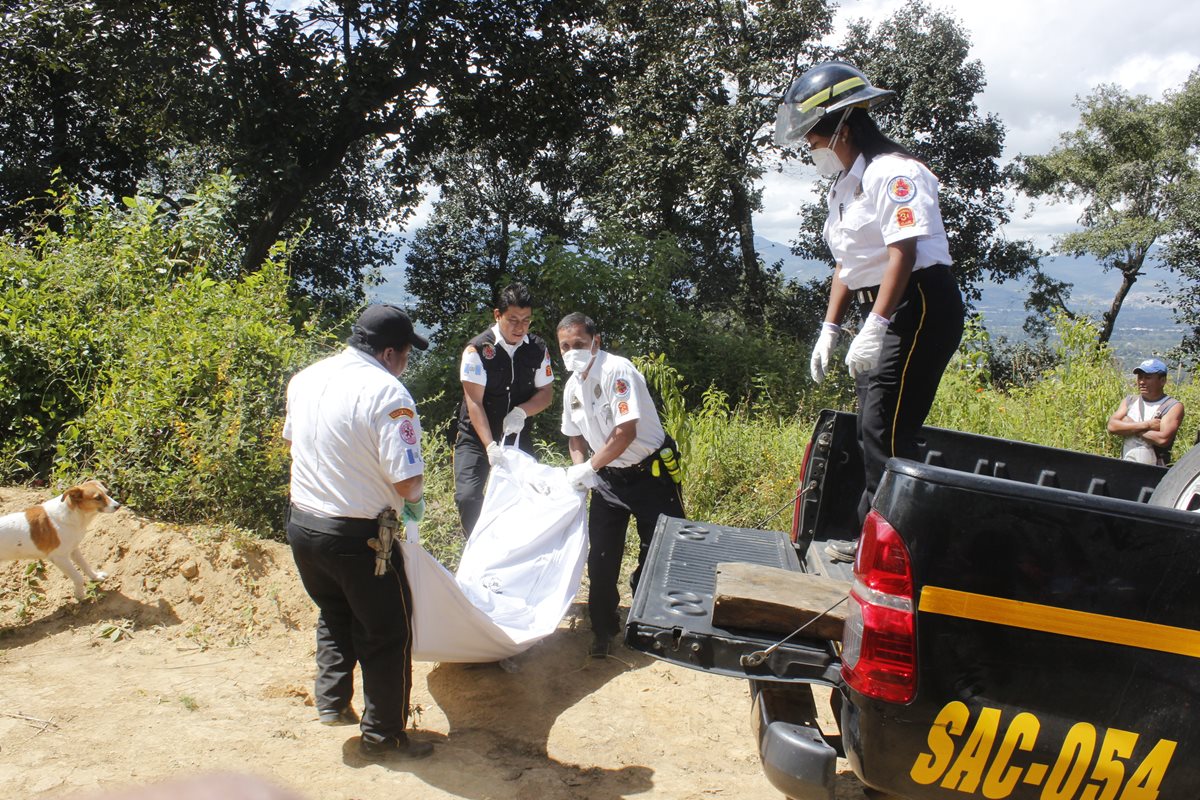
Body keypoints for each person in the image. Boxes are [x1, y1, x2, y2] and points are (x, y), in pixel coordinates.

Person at [775, 61, 965, 563]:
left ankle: (892, 550)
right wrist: (831, 328)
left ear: (840, 124)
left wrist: (878, 324)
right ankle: (871, 537)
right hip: (882, 304)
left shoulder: (894, 173)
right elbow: (848, 263)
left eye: (813, 135)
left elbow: (903, 251)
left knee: (885, 428)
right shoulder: (844, 186)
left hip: (918, 302)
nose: (810, 146)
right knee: (871, 428)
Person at [283, 304, 434, 761]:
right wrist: (414, 502)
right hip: (360, 536)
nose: (407, 361)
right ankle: (383, 735)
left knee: (334, 611)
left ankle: (331, 704)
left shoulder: (306, 377)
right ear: (390, 352)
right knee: (387, 631)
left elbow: (292, 440)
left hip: (303, 523)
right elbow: (407, 481)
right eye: (407, 352)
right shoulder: (389, 394)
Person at [557, 312, 685, 657]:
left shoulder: (617, 371)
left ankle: (649, 623)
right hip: (609, 482)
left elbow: (625, 432)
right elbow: (574, 438)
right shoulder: (572, 388)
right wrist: (581, 469)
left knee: (660, 554)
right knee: (600, 557)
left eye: (579, 344)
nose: (572, 352)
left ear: (595, 341)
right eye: (565, 346)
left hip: (651, 475)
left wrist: (589, 466)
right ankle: (602, 628)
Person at [454, 283, 555, 536]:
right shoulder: (477, 350)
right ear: (497, 315)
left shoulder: (537, 349)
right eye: (513, 320)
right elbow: (474, 402)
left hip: (516, 436)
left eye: (526, 321)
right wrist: (489, 445)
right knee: (468, 497)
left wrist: (522, 411)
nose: (520, 328)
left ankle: (510, 547)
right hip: (477, 437)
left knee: (526, 496)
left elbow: (546, 393)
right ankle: (477, 546)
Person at [1107, 358, 1184, 466]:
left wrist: (1129, 426)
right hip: (1126, 464)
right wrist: (1147, 425)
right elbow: (1112, 426)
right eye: (1140, 377)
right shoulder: (1130, 401)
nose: (1142, 382)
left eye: (1148, 378)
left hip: (1155, 470)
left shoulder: (1172, 406)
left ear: (1162, 381)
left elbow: (1163, 439)